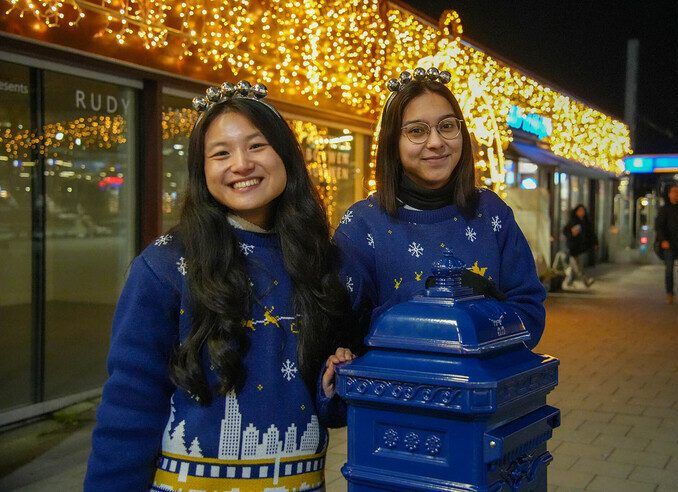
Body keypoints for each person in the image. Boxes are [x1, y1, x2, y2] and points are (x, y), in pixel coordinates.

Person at [85, 81, 353, 491]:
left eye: (257, 146)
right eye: (221, 153)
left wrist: (333, 385)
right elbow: (129, 409)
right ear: (202, 170)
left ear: (285, 155)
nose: (241, 164)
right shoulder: (164, 266)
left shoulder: (318, 260)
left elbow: (321, 405)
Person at [334, 67, 546, 350]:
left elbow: (530, 314)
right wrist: (428, 300)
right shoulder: (362, 224)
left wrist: (484, 311)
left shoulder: (492, 212)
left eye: (446, 126)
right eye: (417, 131)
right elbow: (342, 329)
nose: (436, 142)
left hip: (481, 389)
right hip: (394, 390)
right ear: (392, 142)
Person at [562, 204, 598, 287]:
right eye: (579, 211)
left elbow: (591, 233)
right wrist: (572, 233)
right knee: (577, 266)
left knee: (573, 266)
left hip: (582, 248)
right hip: (573, 247)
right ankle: (585, 281)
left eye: (583, 211)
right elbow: (565, 231)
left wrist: (595, 242)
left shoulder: (586, 222)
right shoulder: (572, 221)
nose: (581, 212)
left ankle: (568, 282)